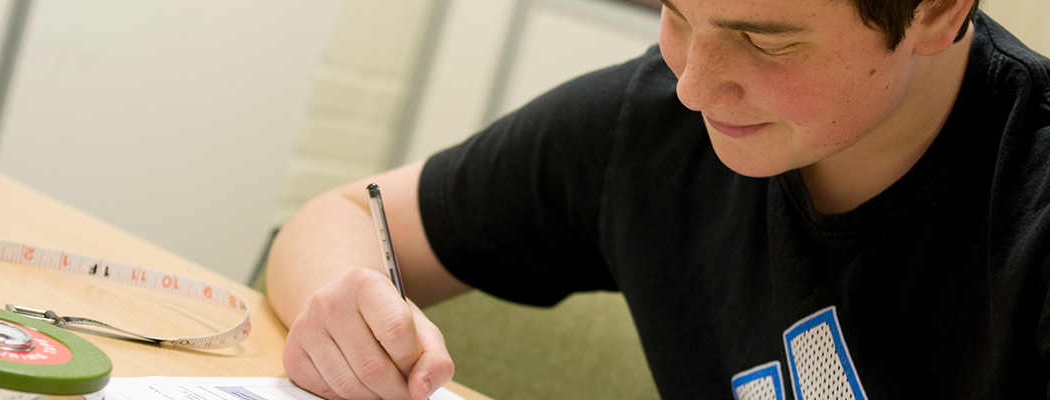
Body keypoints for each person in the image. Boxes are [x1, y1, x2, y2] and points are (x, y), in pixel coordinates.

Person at [265, 0, 1050, 397]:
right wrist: (346, 306)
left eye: (767, 41)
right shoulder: (651, 129)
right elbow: (345, 216)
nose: (695, 83)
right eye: (678, 13)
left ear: (939, 10)